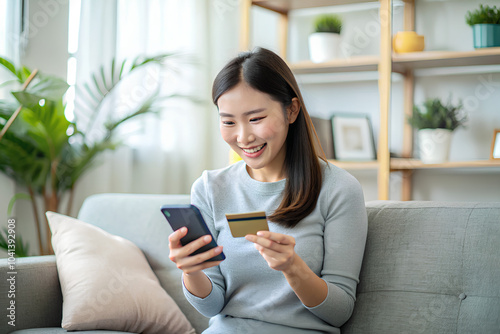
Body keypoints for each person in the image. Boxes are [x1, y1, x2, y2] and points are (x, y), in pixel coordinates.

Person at [168, 47, 367, 334]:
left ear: (291, 110)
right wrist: (191, 270)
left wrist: (293, 268)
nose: (243, 136)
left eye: (256, 118)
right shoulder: (210, 188)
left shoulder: (338, 189)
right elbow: (211, 306)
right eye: (228, 122)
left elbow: (339, 311)